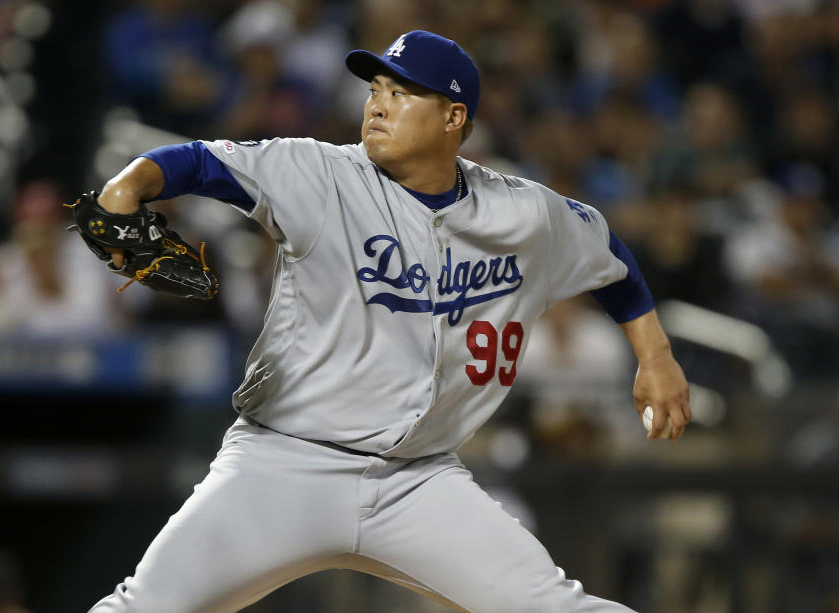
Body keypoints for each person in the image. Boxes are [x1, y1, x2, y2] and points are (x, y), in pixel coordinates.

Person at [85, 30, 690, 613]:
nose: (376, 105)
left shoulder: (523, 212)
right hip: (284, 465)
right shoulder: (318, 173)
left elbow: (609, 256)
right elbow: (198, 163)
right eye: (375, 89)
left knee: (550, 605)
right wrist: (130, 182)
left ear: (453, 118)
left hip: (419, 482)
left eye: (401, 94)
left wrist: (655, 355)